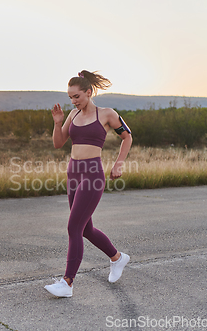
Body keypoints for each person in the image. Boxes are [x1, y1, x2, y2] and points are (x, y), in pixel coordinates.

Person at [44, 70, 132, 298]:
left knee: (74, 227)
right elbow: (58, 143)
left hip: (92, 174)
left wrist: (119, 163)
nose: (73, 101)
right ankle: (117, 257)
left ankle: (67, 282)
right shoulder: (73, 115)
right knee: (86, 229)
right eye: (70, 98)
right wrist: (57, 123)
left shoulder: (107, 114)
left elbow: (127, 136)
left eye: (77, 97)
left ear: (89, 92)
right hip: (73, 173)